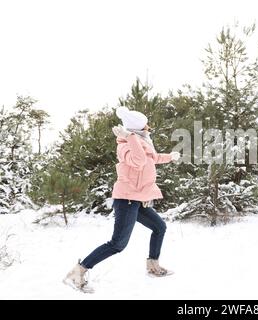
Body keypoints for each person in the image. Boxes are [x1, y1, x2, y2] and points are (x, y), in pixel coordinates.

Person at [64, 106, 180, 292]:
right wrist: (130, 137)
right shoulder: (125, 145)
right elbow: (140, 161)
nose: (148, 128)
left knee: (159, 227)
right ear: (136, 130)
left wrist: (170, 157)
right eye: (144, 126)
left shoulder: (141, 141)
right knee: (117, 244)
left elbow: (152, 158)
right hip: (126, 199)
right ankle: (77, 273)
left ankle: (152, 265)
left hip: (137, 198)